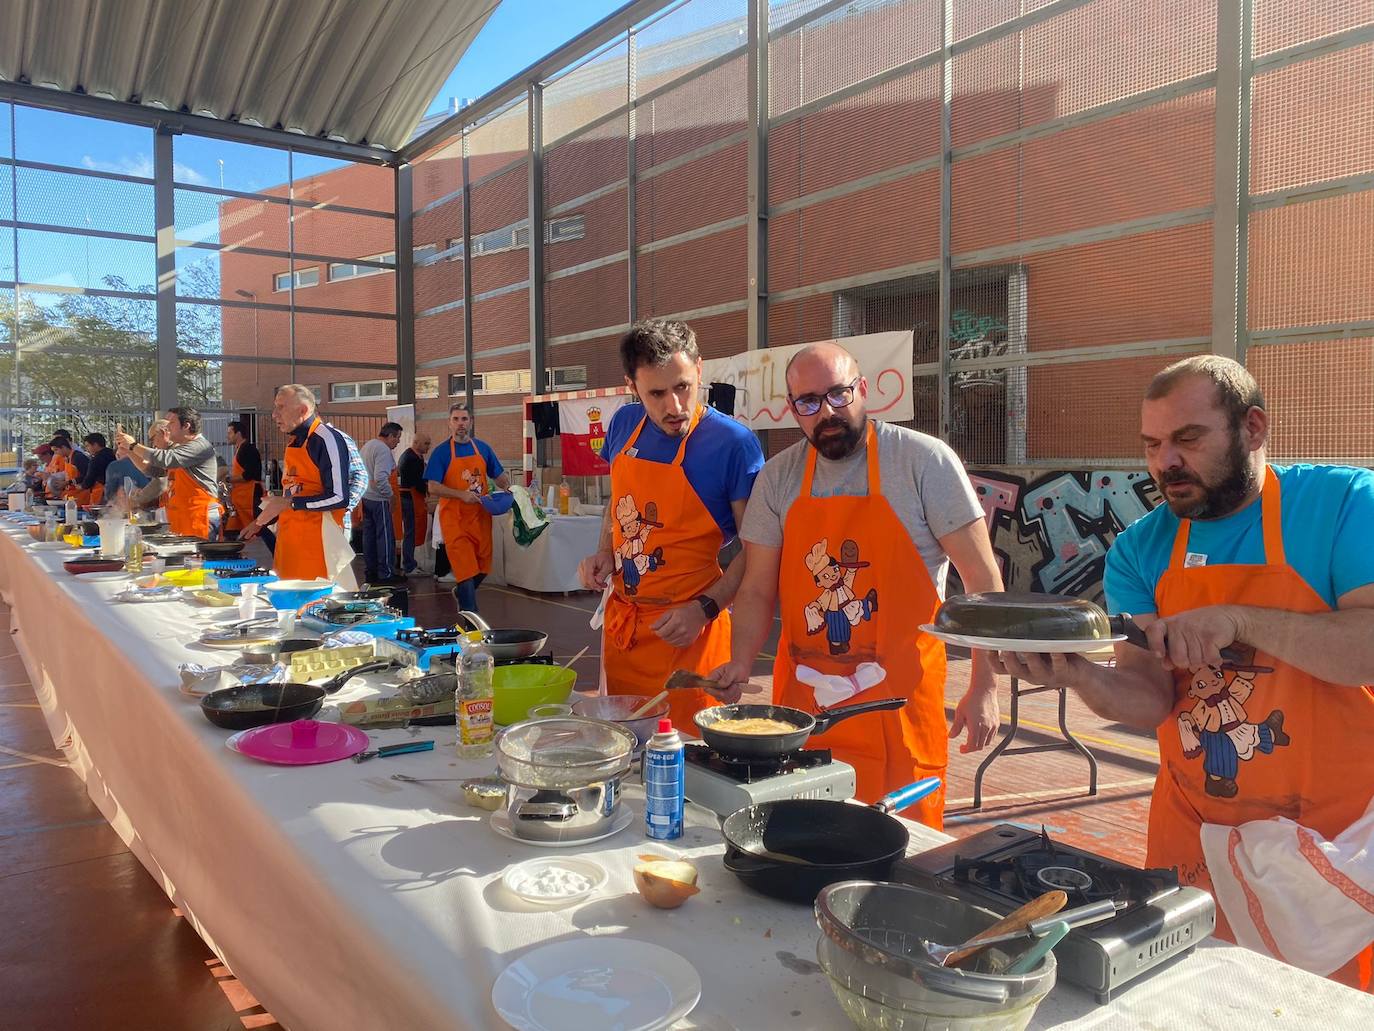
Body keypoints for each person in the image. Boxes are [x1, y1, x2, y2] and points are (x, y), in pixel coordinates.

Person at [984, 355, 1374, 988]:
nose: (1166, 462)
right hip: (1196, 836)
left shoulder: (1342, 506)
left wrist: (1239, 622)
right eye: (1153, 444)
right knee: (1190, 999)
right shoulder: (1141, 548)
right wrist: (1081, 677)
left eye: (1188, 439)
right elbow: (1149, 696)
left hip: (1333, 841)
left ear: (1253, 428)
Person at [710, 342, 1003, 828]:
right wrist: (741, 661)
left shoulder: (923, 462)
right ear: (791, 409)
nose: (826, 412)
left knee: (899, 857)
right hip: (805, 712)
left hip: (899, 709)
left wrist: (984, 685)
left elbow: (982, 584)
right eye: (808, 402)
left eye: (838, 395)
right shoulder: (778, 479)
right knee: (802, 843)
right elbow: (758, 588)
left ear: (863, 390)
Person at [577, 319, 765, 729]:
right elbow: (618, 501)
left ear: (699, 369)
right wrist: (606, 550)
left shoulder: (733, 445)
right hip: (625, 633)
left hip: (689, 637)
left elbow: (760, 552)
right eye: (657, 394)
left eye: (683, 386)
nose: (674, 407)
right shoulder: (624, 425)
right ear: (633, 386)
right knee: (625, 751)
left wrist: (705, 608)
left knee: (685, 764)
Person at [243, 385, 355, 585]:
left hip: (318, 544)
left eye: (281, 407)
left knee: (313, 604)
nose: (274, 415)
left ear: (303, 410)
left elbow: (338, 497)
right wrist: (259, 523)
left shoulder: (325, 439)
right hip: (290, 542)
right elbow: (292, 493)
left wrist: (289, 503)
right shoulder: (294, 442)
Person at [425, 404, 509, 611]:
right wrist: (460, 494)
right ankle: (472, 624)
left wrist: (508, 486)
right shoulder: (442, 452)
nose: (460, 424)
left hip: (481, 515)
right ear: (449, 423)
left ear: (470, 422)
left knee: (483, 567)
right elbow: (432, 486)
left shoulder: (483, 448)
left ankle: (462, 592)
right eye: (456, 419)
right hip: (454, 518)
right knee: (465, 569)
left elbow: (499, 476)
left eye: (464, 419)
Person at [115, 408, 219, 538]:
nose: (168, 427)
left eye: (171, 423)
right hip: (187, 517)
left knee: (199, 558)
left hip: (200, 516)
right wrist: (129, 451)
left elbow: (165, 459)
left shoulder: (199, 446)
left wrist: (133, 445)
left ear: (186, 425)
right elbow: (153, 470)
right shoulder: (182, 449)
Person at [360, 422, 403, 584]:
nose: (398, 442)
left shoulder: (368, 445)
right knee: (385, 537)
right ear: (390, 436)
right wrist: (390, 496)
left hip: (366, 497)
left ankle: (371, 571)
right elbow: (380, 478)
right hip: (379, 499)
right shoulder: (383, 450)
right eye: (397, 438)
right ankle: (386, 572)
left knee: (369, 537)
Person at [224, 420, 273, 550]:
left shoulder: (248, 449)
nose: (227, 436)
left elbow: (249, 475)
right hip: (241, 497)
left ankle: (276, 550)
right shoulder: (239, 449)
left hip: (251, 495)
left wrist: (228, 479)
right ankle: (233, 552)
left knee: (259, 525)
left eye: (229, 433)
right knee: (235, 527)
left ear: (238, 433)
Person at [393, 431, 431, 576]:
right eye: (426, 444)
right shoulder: (410, 458)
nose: (428, 447)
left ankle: (409, 563)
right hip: (409, 499)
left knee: (412, 531)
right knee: (410, 531)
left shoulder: (415, 456)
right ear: (417, 443)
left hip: (411, 498)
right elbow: (418, 482)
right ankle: (409, 565)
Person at [77, 433, 115, 506]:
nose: (87, 449)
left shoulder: (95, 460)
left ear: (95, 445)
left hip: (101, 492)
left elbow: (89, 479)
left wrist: (82, 486)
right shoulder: (114, 454)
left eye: (88, 446)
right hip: (116, 492)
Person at [50, 436, 90, 504]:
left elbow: (87, 476)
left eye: (56, 450)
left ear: (63, 447)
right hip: (72, 496)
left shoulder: (78, 457)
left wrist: (68, 482)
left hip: (82, 496)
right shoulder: (67, 459)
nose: (56, 453)